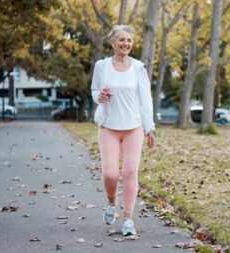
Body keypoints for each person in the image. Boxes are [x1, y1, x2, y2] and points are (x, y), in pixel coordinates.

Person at [91, 24, 155, 236]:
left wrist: (149, 128)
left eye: (129, 40)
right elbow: (94, 90)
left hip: (133, 127)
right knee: (110, 174)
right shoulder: (102, 66)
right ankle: (111, 202)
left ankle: (128, 219)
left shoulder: (138, 68)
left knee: (129, 172)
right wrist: (99, 96)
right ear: (113, 43)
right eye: (121, 40)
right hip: (109, 126)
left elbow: (145, 99)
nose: (125, 43)